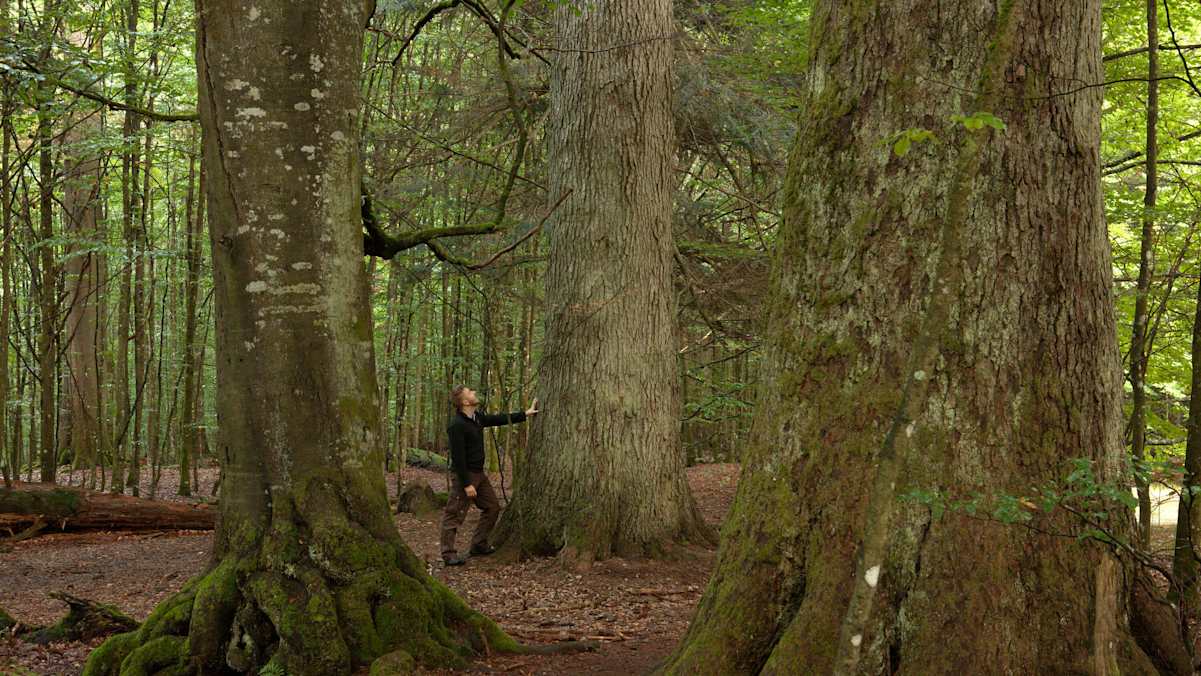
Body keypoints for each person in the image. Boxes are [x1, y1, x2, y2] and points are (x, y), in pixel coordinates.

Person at [440, 385, 538, 566]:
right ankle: (448, 554)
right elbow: (458, 458)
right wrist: (467, 484)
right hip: (465, 476)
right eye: (470, 392)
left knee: (492, 507)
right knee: (454, 514)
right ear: (465, 402)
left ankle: (478, 544)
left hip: (479, 474)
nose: (474, 393)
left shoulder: (477, 418)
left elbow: (497, 419)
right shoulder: (456, 426)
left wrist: (525, 414)